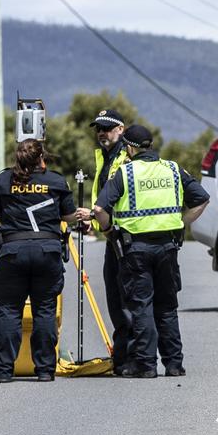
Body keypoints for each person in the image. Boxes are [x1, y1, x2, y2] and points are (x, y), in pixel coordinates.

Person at [93, 124, 209, 378]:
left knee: (142, 306)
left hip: (135, 249)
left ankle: (145, 364)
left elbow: (100, 209)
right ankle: (174, 363)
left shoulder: (125, 173)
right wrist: (182, 222)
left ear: (131, 147)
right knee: (167, 306)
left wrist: (109, 230)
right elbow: (202, 199)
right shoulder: (173, 169)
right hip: (168, 247)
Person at [0, 139, 92, 383]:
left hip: (12, 252)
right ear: (42, 156)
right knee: (44, 309)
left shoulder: (3, 180)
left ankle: (3, 371)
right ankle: (44, 369)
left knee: (9, 310)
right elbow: (67, 214)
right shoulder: (55, 181)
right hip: (47, 251)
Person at [88, 109, 132, 372]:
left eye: (107, 128)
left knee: (127, 300)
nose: (102, 133)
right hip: (110, 236)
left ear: (121, 129)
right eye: (98, 128)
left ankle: (132, 357)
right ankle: (123, 356)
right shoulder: (104, 157)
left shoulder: (127, 157)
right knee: (114, 300)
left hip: (126, 236)